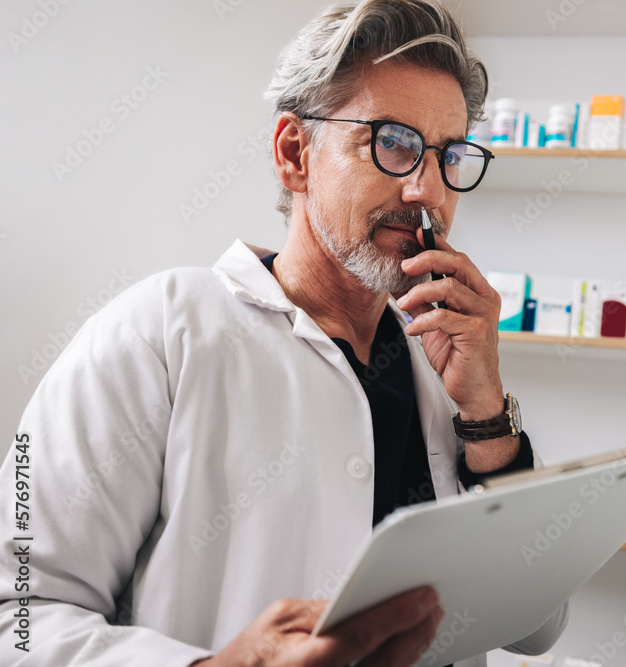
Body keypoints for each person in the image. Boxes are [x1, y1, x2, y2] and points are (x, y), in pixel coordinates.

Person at [0, 1, 568, 665]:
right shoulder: (156, 332)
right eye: (393, 142)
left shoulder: (446, 363)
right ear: (294, 152)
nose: (427, 192)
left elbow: (537, 626)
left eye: (447, 156)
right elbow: (17, 612)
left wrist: (487, 414)